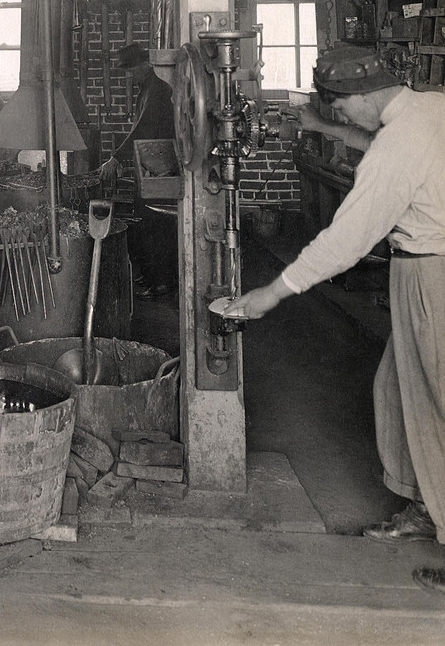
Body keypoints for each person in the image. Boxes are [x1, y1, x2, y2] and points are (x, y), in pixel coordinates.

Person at [225, 45, 445, 595]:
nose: (342, 117)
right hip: (423, 266)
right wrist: (324, 125)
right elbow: (379, 144)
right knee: (396, 391)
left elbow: (348, 239)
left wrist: (274, 292)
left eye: (341, 110)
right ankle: (425, 504)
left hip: (432, 275)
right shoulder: (426, 108)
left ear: (362, 95)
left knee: (438, 403)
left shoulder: (399, 145)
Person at [98, 44, 177, 298]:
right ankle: (152, 277)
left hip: (162, 169)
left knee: (155, 226)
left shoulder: (159, 90)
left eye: (132, 70)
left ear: (145, 65)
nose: (129, 76)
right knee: (146, 222)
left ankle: (161, 283)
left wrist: (115, 159)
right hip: (150, 166)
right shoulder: (147, 90)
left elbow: (142, 130)